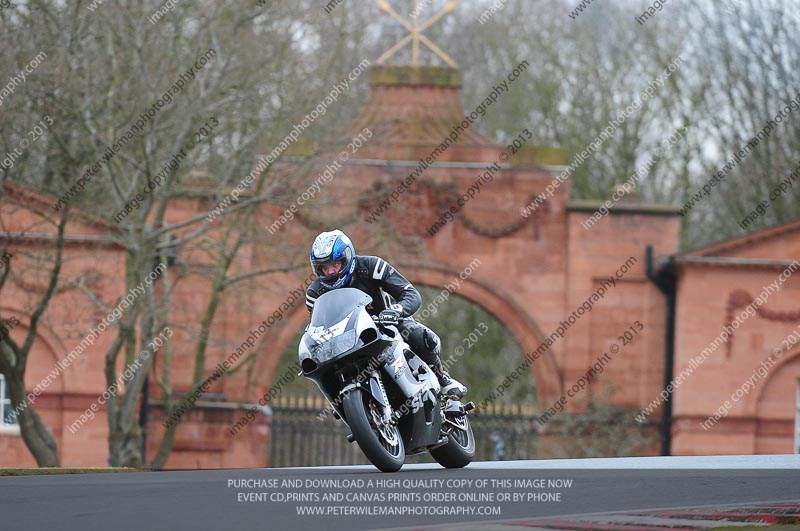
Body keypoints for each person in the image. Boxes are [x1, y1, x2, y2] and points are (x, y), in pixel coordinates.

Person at [305, 229, 467, 398]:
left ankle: (442, 379)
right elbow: (318, 326)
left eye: (335, 264)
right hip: (346, 340)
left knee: (418, 335)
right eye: (324, 267)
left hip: (387, 324)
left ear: (347, 258)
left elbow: (410, 294)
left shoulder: (372, 266)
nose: (330, 271)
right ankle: (340, 400)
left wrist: (397, 310)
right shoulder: (314, 294)